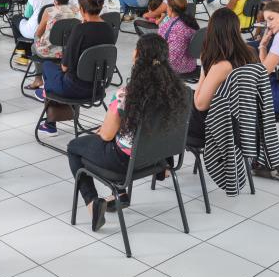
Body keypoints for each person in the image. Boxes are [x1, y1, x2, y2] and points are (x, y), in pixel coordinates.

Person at [66, 33, 188, 230]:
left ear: (138, 55)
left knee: (74, 147)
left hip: (126, 162)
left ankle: (92, 203)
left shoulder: (127, 94)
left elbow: (106, 135)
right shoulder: (179, 91)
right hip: (158, 157)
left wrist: (104, 131)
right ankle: (120, 195)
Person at [35, 0, 115, 134]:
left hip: (74, 88)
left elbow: (65, 67)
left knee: (48, 66)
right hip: (98, 87)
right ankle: (47, 94)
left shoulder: (80, 30)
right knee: (63, 75)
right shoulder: (109, 29)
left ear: (82, 9)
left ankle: (50, 123)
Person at [189, 9, 257, 142]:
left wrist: (204, 68)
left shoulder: (222, 66)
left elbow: (200, 105)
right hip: (244, 122)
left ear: (212, 31)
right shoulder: (251, 54)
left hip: (217, 129)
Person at [23, 0, 77, 91]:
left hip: (48, 51)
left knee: (34, 45)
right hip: (69, 52)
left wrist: (39, 38)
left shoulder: (49, 11)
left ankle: (38, 79)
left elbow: (38, 33)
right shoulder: (76, 11)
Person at [11, 0, 55, 64]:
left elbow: (27, 16)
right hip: (51, 32)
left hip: (34, 32)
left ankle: (23, 52)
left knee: (15, 18)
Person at [158, 0, 200, 74]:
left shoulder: (166, 26)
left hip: (172, 67)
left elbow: (158, 48)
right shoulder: (192, 23)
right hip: (191, 65)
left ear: (170, 9)